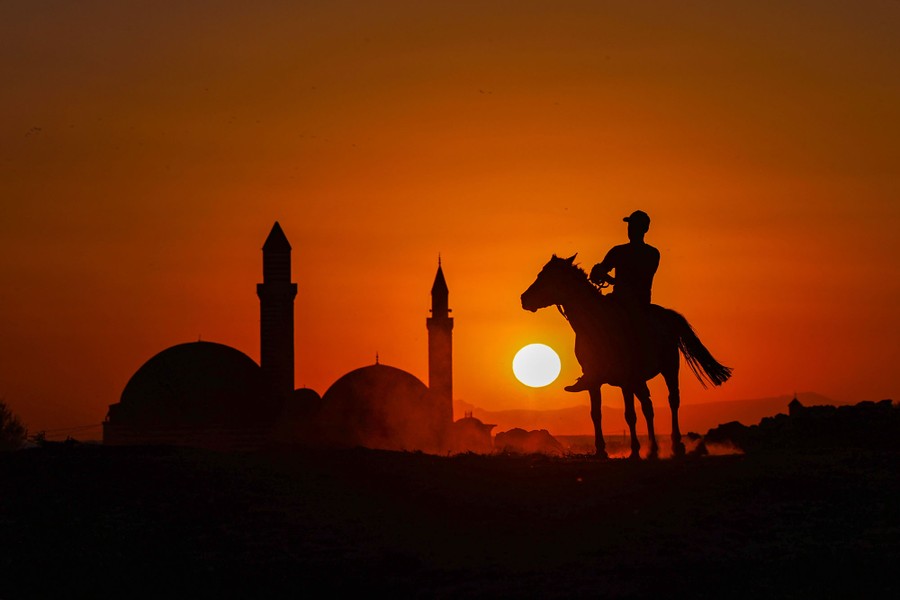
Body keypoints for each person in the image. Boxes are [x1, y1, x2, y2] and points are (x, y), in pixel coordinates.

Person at [565, 210, 660, 392]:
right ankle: (590, 369)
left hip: (638, 303)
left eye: (634, 226)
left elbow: (641, 280)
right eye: (629, 226)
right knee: (591, 324)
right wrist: (598, 271)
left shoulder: (650, 254)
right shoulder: (621, 251)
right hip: (618, 300)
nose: (630, 230)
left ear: (644, 229)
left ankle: (629, 369)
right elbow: (603, 267)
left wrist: (610, 280)